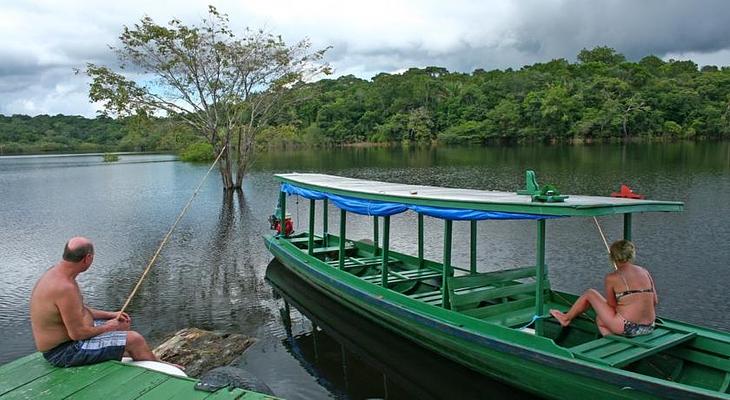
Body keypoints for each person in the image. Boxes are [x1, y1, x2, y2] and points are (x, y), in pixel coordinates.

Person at [30, 237, 160, 367]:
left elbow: (80, 310)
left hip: (69, 342)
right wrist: (108, 327)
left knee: (121, 323)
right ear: (87, 258)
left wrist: (111, 315)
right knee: (135, 339)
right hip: (63, 352)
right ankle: (160, 369)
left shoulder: (59, 274)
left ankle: (135, 355)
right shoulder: (65, 287)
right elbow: (77, 334)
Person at [549, 240, 658, 337]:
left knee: (590, 293)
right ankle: (616, 342)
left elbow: (612, 305)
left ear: (613, 257)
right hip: (650, 326)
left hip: (628, 327)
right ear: (631, 255)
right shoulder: (644, 271)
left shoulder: (612, 278)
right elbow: (655, 301)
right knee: (600, 320)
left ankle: (566, 318)